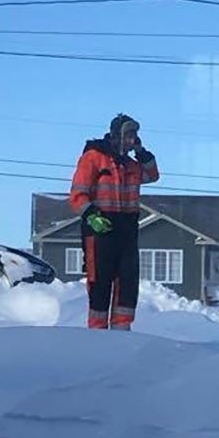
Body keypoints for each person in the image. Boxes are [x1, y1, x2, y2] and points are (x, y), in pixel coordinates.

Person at [69, 113, 160, 330]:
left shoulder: (131, 165)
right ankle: (98, 333)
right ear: (116, 135)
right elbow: (77, 194)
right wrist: (91, 215)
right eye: (128, 135)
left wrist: (140, 151)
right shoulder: (94, 157)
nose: (131, 140)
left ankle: (122, 331)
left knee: (127, 282)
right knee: (100, 283)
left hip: (127, 228)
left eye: (134, 136)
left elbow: (153, 174)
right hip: (100, 228)